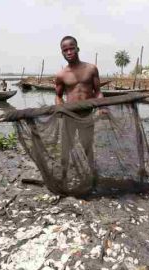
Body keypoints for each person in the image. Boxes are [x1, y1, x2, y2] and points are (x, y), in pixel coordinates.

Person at [55, 36, 104, 193]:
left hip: (86, 116)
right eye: (65, 50)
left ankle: (93, 175)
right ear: (62, 52)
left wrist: (102, 107)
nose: (69, 52)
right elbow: (58, 96)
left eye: (71, 48)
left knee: (87, 146)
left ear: (77, 48)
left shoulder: (91, 69)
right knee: (66, 149)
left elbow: (98, 92)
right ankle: (63, 178)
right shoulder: (61, 75)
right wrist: (60, 108)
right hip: (69, 116)